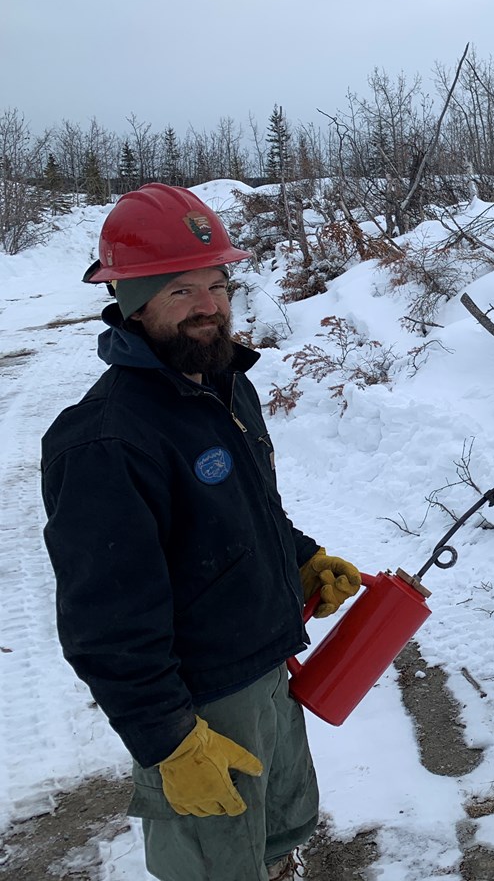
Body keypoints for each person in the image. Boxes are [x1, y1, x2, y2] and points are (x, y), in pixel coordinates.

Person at [41, 184, 363, 881]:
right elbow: (105, 626)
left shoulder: (223, 384)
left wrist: (301, 558)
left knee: (276, 840)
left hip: (269, 673)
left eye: (217, 284)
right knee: (213, 869)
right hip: (200, 709)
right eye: (182, 290)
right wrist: (168, 741)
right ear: (132, 300)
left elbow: (249, 510)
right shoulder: (105, 440)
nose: (210, 306)